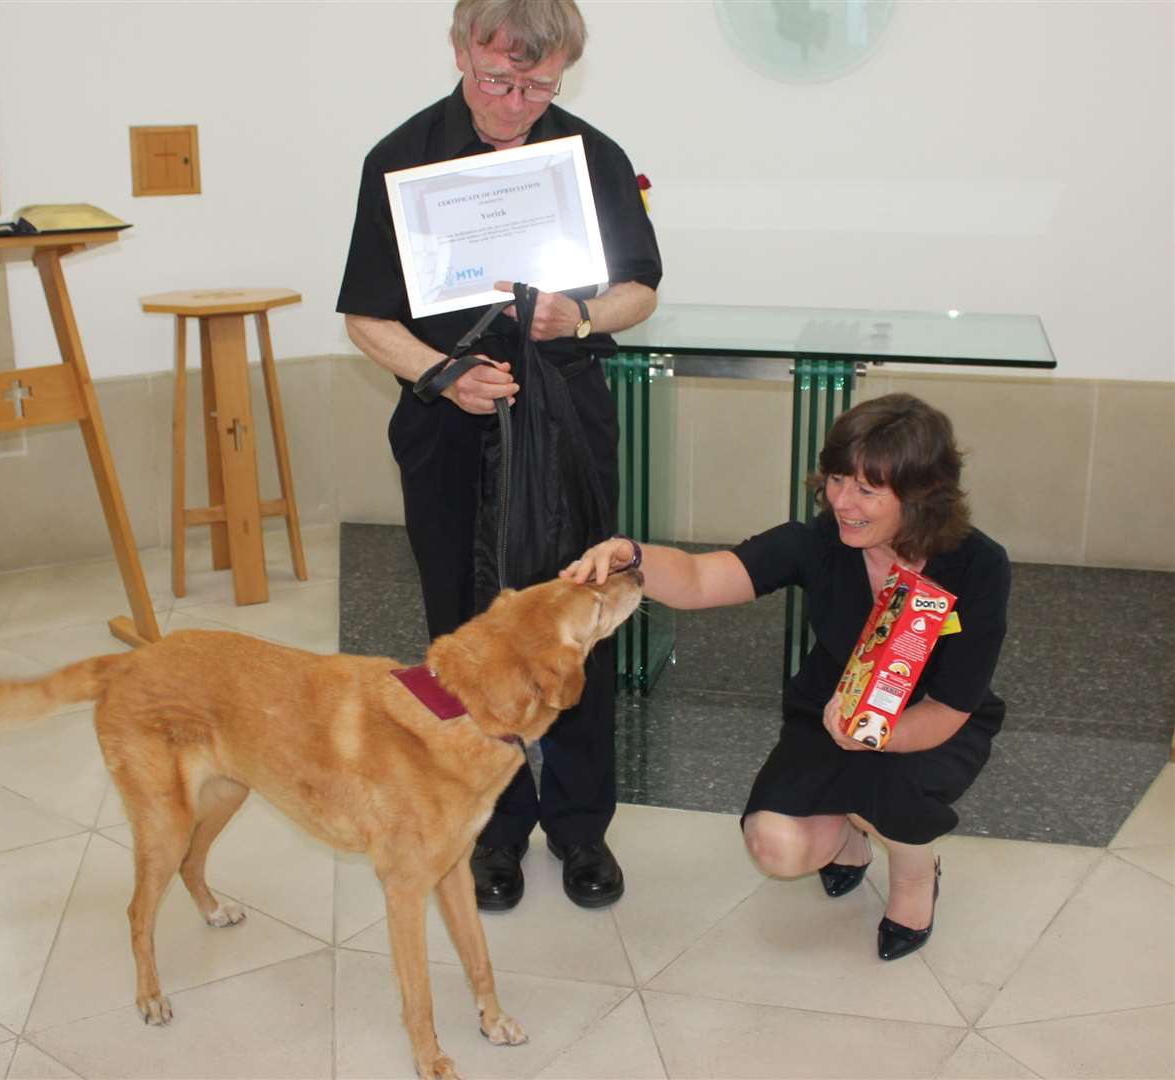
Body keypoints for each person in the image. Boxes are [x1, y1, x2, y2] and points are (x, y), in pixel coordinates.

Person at [337, 0, 662, 911]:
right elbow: (366, 315)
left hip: (564, 426)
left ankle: (582, 825)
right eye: (497, 80)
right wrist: (439, 373)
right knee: (468, 635)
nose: (516, 102)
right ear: (458, 50)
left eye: (538, 85)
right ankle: (495, 829)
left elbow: (641, 287)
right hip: (450, 428)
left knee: (582, 616)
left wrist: (585, 315)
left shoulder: (588, 155)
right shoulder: (399, 159)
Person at [564, 394, 1010, 959]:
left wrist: (879, 734)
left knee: (892, 793)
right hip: (829, 712)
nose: (842, 502)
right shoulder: (816, 543)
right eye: (837, 479)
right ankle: (852, 831)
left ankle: (916, 873)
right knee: (776, 847)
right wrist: (631, 556)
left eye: (867, 490)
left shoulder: (979, 565)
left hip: (928, 721)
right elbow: (703, 578)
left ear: (922, 495)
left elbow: (952, 707)